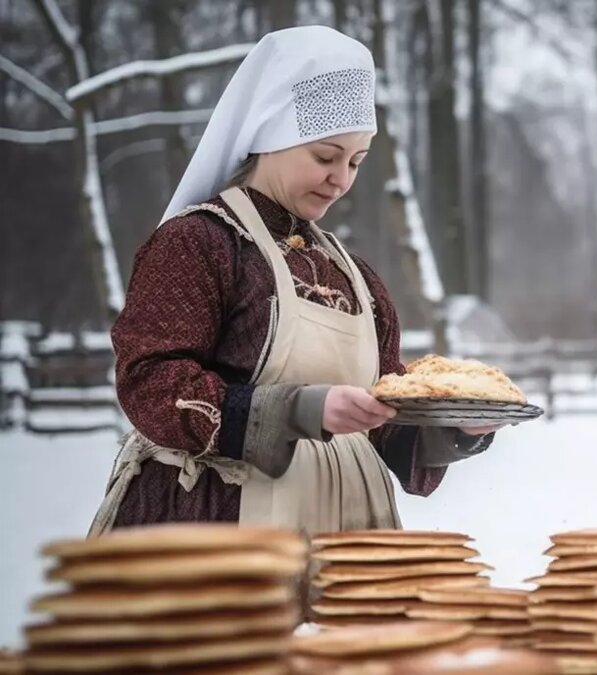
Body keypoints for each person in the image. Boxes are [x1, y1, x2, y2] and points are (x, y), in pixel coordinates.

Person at [89, 26, 500, 536]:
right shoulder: (199, 244)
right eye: (325, 157)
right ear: (267, 135)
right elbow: (150, 382)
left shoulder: (355, 278)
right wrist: (299, 409)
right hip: (218, 528)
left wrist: (458, 428)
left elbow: (385, 416)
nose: (341, 179)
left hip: (344, 530)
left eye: (356, 161)